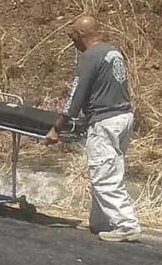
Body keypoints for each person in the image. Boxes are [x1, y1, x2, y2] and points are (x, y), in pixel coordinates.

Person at [46, 15, 140, 242]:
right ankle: (101, 221)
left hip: (105, 121)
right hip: (123, 117)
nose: (72, 42)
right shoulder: (112, 52)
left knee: (103, 174)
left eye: (72, 36)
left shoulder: (89, 57)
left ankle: (127, 224)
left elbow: (75, 98)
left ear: (81, 35)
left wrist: (56, 128)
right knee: (109, 167)